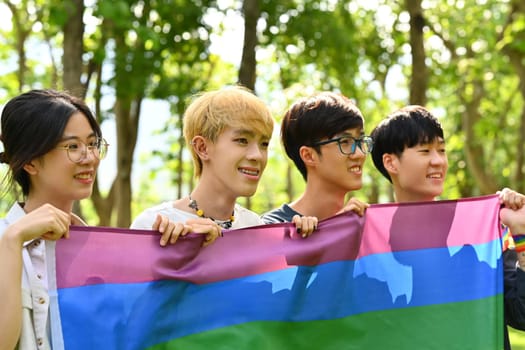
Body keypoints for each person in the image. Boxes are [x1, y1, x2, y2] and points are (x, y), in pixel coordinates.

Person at [370, 104, 525, 350]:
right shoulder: (368, 238)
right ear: (391, 162)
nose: (438, 161)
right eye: (425, 151)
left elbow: (521, 314)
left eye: (441, 150)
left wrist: (521, 232)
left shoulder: (479, 228)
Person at [0, 89, 109, 350]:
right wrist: (12, 241)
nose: (90, 158)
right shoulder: (5, 239)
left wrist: (185, 247)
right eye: (72, 146)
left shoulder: (102, 252)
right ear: (31, 162)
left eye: (92, 144)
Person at [132, 86, 298, 244]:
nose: (257, 155)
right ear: (202, 148)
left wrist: (306, 248)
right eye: (242, 140)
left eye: (264, 144)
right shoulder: (152, 227)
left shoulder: (255, 227)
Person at [262, 92, 370, 231]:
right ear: (308, 156)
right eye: (344, 142)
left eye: (360, 141)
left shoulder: (360, 226)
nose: (360, 154)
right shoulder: (272, 228)